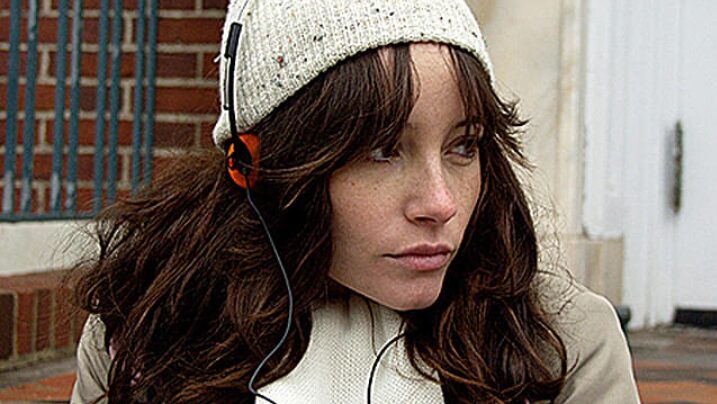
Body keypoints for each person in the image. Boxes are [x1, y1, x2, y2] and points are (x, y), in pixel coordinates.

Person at [70, 0, 640, 403]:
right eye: (382, 150)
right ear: (260, 166)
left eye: (463, 146)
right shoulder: (145, 333)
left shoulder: (561, 343)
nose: (440, 202)